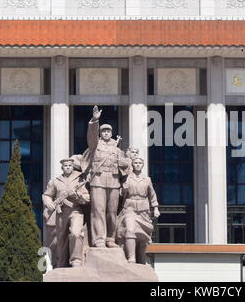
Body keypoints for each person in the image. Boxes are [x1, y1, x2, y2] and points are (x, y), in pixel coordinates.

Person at [86, 106, 129, 248]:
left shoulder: (117, 149)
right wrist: (94, 120)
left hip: (113, 181)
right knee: (98, 210)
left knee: (111, 212)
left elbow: (125, 168)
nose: (105, 133)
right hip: (97, 181)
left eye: (108, 131)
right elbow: (92, 134)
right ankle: (98, 239)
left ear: (111, 133)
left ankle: (110, 238)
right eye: (103, 131)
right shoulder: (95, 144)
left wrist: (125, 162)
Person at [42, 158, 90, 267]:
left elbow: (87, 198)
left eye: (70, 165)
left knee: (76, 233)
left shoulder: (80, 180)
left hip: (75, 210)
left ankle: (76, 260)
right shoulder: (56, 181)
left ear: (73, 167)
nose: (68, 167)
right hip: (61, 212)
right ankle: (62, 262)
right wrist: (49, 203)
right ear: (62, 168)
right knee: (61, 238)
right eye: (66, 166)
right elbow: (47, 195)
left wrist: (77, 196)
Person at [116, 157, 160, 264]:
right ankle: (131, 257)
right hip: (130, 207)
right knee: (130, 229)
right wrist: (123, 189)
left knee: (142, 237)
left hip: (143, 210)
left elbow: (152, 194)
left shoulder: (147, 179)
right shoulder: (127, 178)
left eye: (140, 163)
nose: (138, 164)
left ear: (143, 165)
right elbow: (120, 195)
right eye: (135, 163)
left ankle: (141, 260)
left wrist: (155, 208)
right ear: (132, 164)